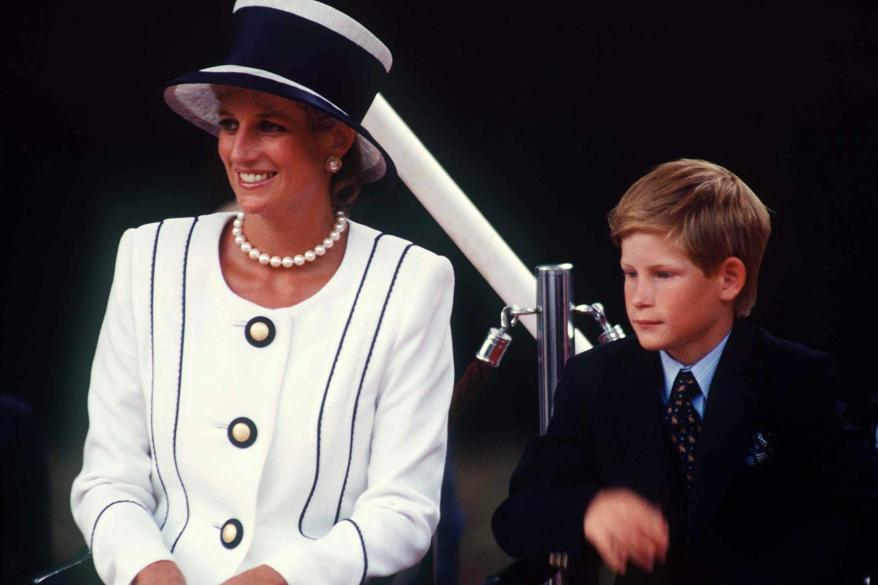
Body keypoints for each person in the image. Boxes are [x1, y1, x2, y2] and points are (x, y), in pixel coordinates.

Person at [70, 2, 455, 585]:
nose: (239, 151)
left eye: (269, 126)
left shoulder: (410, 281)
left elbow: (403, 510)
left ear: (336, 139)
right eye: (229, 124)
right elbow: (109, 478)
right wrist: (148, 570)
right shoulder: (149, 257)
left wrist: (280, 577)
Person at [492, 159, 878, 584]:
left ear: (728, 279)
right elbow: (517, 515)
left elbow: (854, 519)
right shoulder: (596, 379)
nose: (639, 297)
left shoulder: (796, 379)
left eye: (662, 275)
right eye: (630, 273)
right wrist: (590, 511)